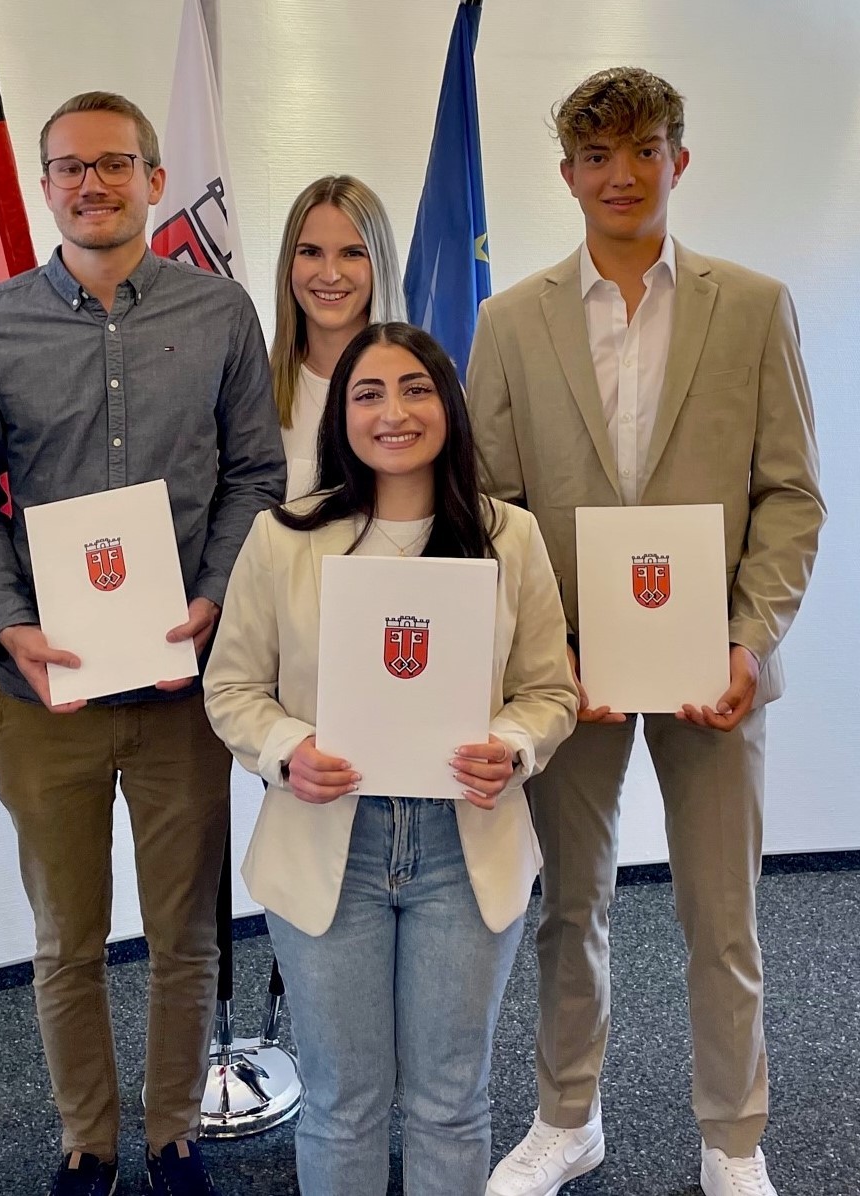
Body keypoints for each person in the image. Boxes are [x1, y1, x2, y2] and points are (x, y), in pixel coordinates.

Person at [468, 66, 825, 1196]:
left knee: (724, 918)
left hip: (716, 667)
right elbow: (491, 506)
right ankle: (567, 1118)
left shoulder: (755, 305)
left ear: (680, 158)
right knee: (569, 909)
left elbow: (791, 497)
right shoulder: (510, 319)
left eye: (645, 149)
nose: (622, 174)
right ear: (567, 173)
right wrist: (547, 655)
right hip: (570, 670)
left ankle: (734, 1139)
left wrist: (749, 641)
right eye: (597, 155)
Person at [0, 91, 284, 1196]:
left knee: (184, 934)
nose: (93, 184)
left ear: (154, 179)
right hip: (51, 695)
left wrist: (219, 593)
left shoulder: (221, 314)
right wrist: (8, 625)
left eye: (115, 165)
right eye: (70, 168)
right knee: (66, 939)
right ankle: (87, 1142)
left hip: (185, 684)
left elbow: (256, 478)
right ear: (45, 186)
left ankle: (174, 1133)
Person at [204, 322, 576, 1195]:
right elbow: (232, 691)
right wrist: (288, 750)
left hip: (465, 845)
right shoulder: (284, 538)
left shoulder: (509, 538)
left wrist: (515, 748)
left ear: (448, 404)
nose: (394, 412)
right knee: (343, 1101)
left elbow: (550, 693)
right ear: (343, 416)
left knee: (452, 1101)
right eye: (368, 393)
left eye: (415, 388)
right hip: (329, 843)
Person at [268, 174, 406, 498]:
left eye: (352, 253)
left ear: (379, 265)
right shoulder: (250, 393)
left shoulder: (427, 392)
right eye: (311, 252)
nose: (329, 275)